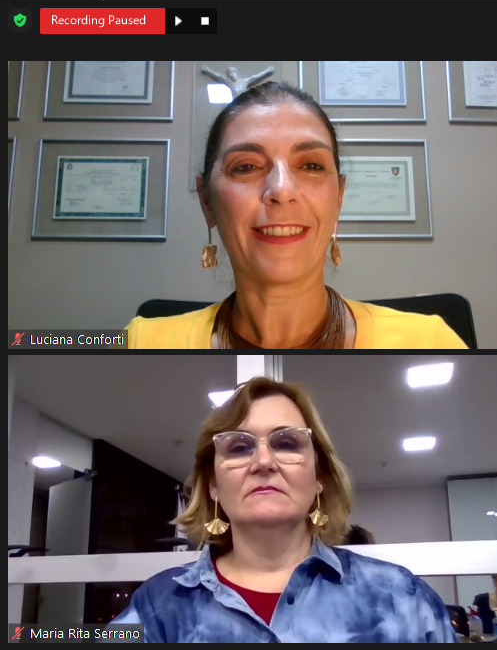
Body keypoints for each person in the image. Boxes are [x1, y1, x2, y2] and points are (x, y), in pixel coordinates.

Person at [108, 376, 456, 642]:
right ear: (213, 485)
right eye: (239, 447)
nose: (263, 462)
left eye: (286, 443)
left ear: (319, 478)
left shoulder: (401, 597)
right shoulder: (158, 605)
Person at [122, 82, 467, 349]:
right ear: (207, 201)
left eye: (311, 165)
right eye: (246, 167)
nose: (282, 189)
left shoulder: (430, 342)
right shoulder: (140, 342)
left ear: (339, 197)